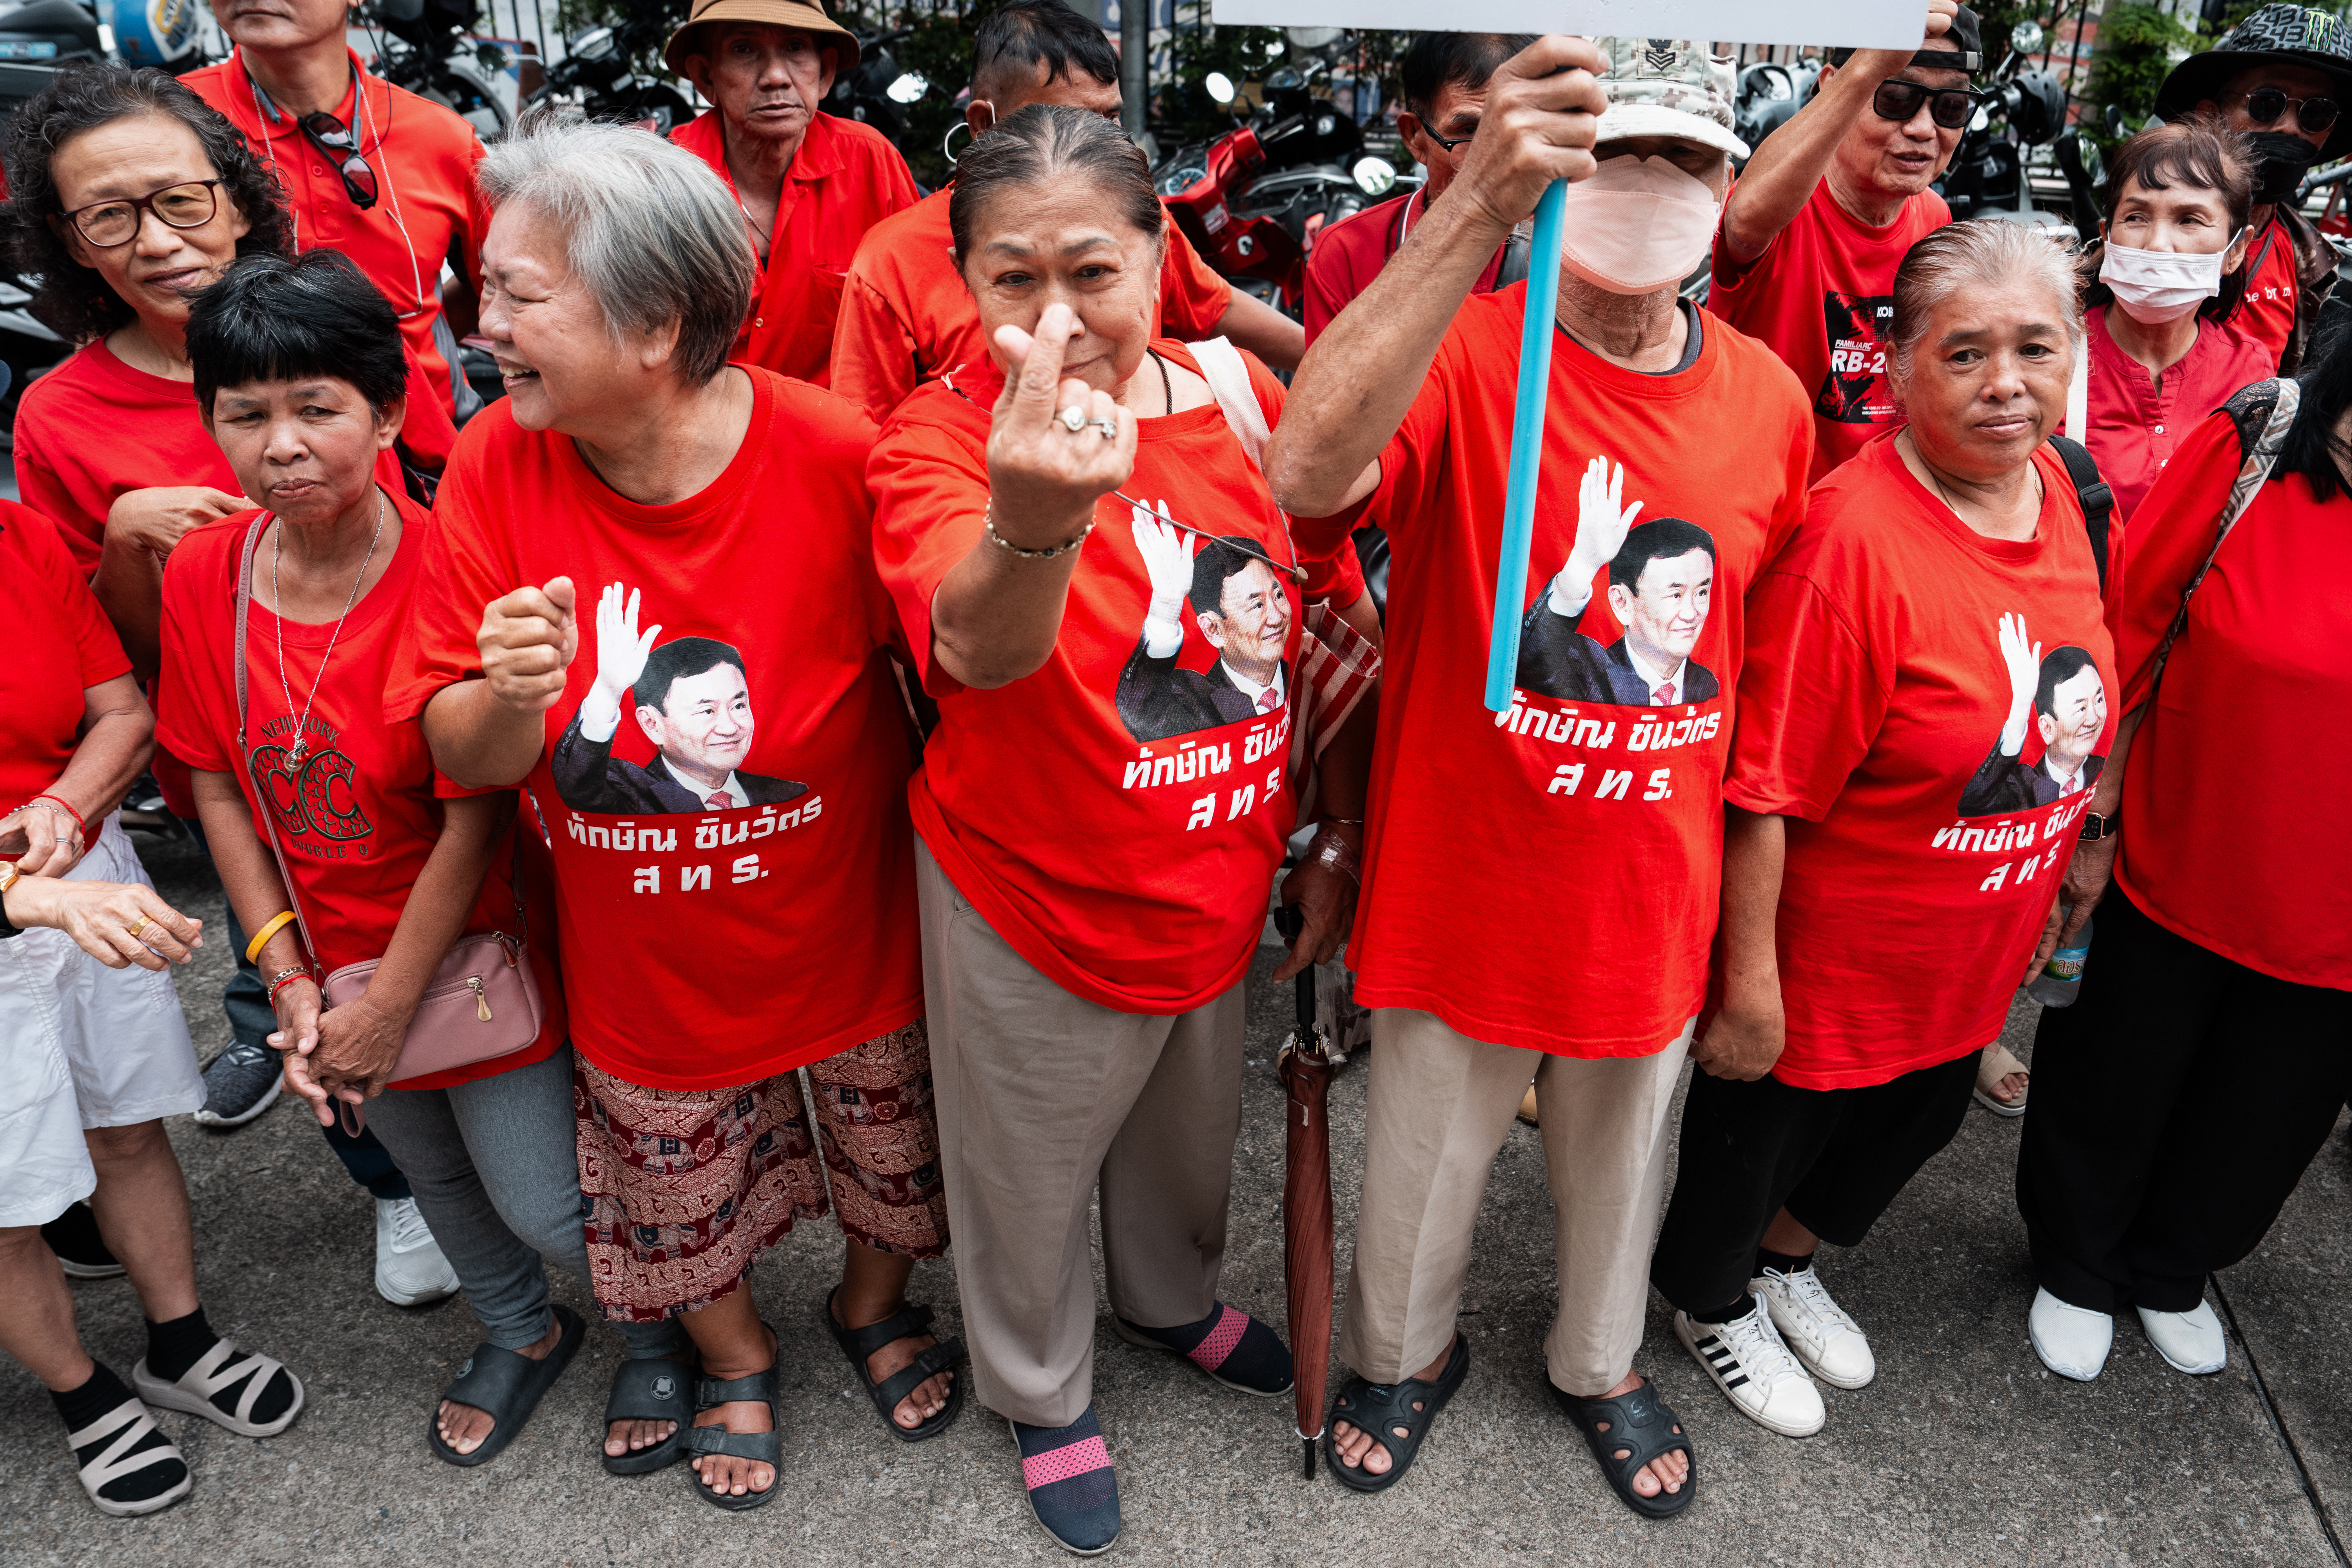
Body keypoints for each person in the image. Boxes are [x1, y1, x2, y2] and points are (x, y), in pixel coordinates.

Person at [1265, 37, 1812, 1519]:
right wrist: (1473, 208)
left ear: (1722, 187)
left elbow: (1754, 672)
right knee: (1423, 1161)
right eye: (1608, 154)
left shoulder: (1768, 399)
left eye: (1681, 162)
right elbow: (1307, 475)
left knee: (1622, 1164)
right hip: (1463, 878)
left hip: (1649, 889)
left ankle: (1598, 1359)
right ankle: (1402, 1352)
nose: (1643, 191)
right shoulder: (1464, 343)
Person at [392, 113, 959, 1509]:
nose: (484, 321)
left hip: (851, 932)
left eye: (522, 293)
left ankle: (867, 1306)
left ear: (655, 325)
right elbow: (452, 735)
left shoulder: (836, 450)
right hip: (645, 967)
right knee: (672, 1194)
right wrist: (522, 692)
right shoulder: (491, 463)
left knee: (898, 1152)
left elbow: (949, 666)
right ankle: (737, 1348)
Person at [866, 105, 1372, 1554]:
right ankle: (1039, 1381)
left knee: (1183, 1131)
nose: (1054, 315)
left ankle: (1167, 1297)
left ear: (1163, 252)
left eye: (1091, 269)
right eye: (1010, 276)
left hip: (1214, 870)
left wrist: (1317, 830)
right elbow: (974, 649)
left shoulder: (1234, 399)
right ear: (960, 280)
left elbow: (1314, 594)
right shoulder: (937, 440)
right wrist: (1036, 517)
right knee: (1023, 1159)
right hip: (1031, 889)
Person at [156, 247, 694, 1470]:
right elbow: (216, 784)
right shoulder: (205, 577)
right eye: (244, 415)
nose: (280, 445)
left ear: (391, 408)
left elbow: (480, 813)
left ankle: (656, 1327)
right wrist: (288, 978)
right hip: (334, 970)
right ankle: (521, 1329)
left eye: (316, 408)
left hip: (478, 956)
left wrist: (387, 1005)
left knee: (546, 1194)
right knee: (429, 1180)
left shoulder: (453, 561)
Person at [1646, 220, 2116, 1441]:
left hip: (1968, 945)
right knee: (1753, 1151)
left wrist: (2072, 848)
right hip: (1830, 961)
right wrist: (1747, 988)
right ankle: (1710, 1299)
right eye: (1963, 353)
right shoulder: (1848, 544)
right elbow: (1763, 791)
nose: (2004, 382)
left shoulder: (2062, 485)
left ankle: (1786, 1263)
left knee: (1909, 1123)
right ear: (1896, 365)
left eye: (2034, 346)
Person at [0, 62, 459, 1292]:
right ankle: (394, 1183)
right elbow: (77, 646)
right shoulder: (60, 412)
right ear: (68, 244)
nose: (156, 241)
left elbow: (445, 506)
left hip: (397, 727)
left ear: (237, 194)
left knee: (453, 963)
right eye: (106, 216)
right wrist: (121, 544)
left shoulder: (328, 319)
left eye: (180, 200)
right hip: (226, 752)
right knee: (288, 991)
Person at [2015, 334, 2352, 1387]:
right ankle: (2076, 1259)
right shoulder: (2265, 438)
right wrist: (2099, 811)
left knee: (2270, 1108)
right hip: (2187, 846)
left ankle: (2173, 1266)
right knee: (2123, 1064)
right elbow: (2134, 619)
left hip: (2337, 916)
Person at [0, 490, 302, 1518]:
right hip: (42, 895)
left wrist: (62, 806)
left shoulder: (17, 535)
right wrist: (27, 892)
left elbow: (122, 709)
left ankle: (182, 1343)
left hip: (84, 874)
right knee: (4, 1212)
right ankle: (82, 1393)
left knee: (129, 1131)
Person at [829, 0, 1305, 423]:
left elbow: (1213, 307)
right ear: (983, 124)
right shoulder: (893, 259)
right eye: (1015, 277)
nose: (1102, 144)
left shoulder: (1135, 216)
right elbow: (865, 438)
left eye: (1112, 118)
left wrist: (1334, 358)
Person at [185, 0, 492, 423]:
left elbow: (502, 291)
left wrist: (402, 346)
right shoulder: (168, 126)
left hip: (429, 448)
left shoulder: (441, 137)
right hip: (250, 459)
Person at [1708, 2, 1973, 480]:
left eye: (1950, 108)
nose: (1921, 129)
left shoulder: (1935, 216)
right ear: (1836, 87)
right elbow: (1744, 220)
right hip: (1760, 495)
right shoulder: (1788, 204)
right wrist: (1867, 68)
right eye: (1894, 97)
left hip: (1866, 510)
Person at [662, 0, 918, 385]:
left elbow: (926, 319)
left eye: (796, 48)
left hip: (846, 434)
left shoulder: (872, 163)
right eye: (743, 49)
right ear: (705, 76)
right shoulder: (662, 181)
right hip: (710, 435)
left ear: (826, 72)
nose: (776, 77)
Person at [2075, 119, 2271, 523]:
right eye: (2135, 218)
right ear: (2106, 236)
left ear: (2235, 252)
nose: (2158, 244)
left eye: (2189, 220)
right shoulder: (2052, 354)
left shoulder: (2251, 370)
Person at [2154, 3, 2352, 373]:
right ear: (2210, 116)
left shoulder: (2311, 263)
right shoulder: (2147, 241)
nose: (2291, 129)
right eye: (2267, 104)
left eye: (2316, 113)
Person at [1302, 31, 1535, 344]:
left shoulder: (1571, 248)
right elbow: (1333, 390)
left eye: (1516, 130)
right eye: (1469, 131)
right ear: (1414, 136)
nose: (1493, 161)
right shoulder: (1347, 252)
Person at [552, 632, 809, 813]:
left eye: (739, 706)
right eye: (707, 712)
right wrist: (607, 693)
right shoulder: (629, 795)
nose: (731, 728)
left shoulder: (788, 796)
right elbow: (578, 787)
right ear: (652, 724)